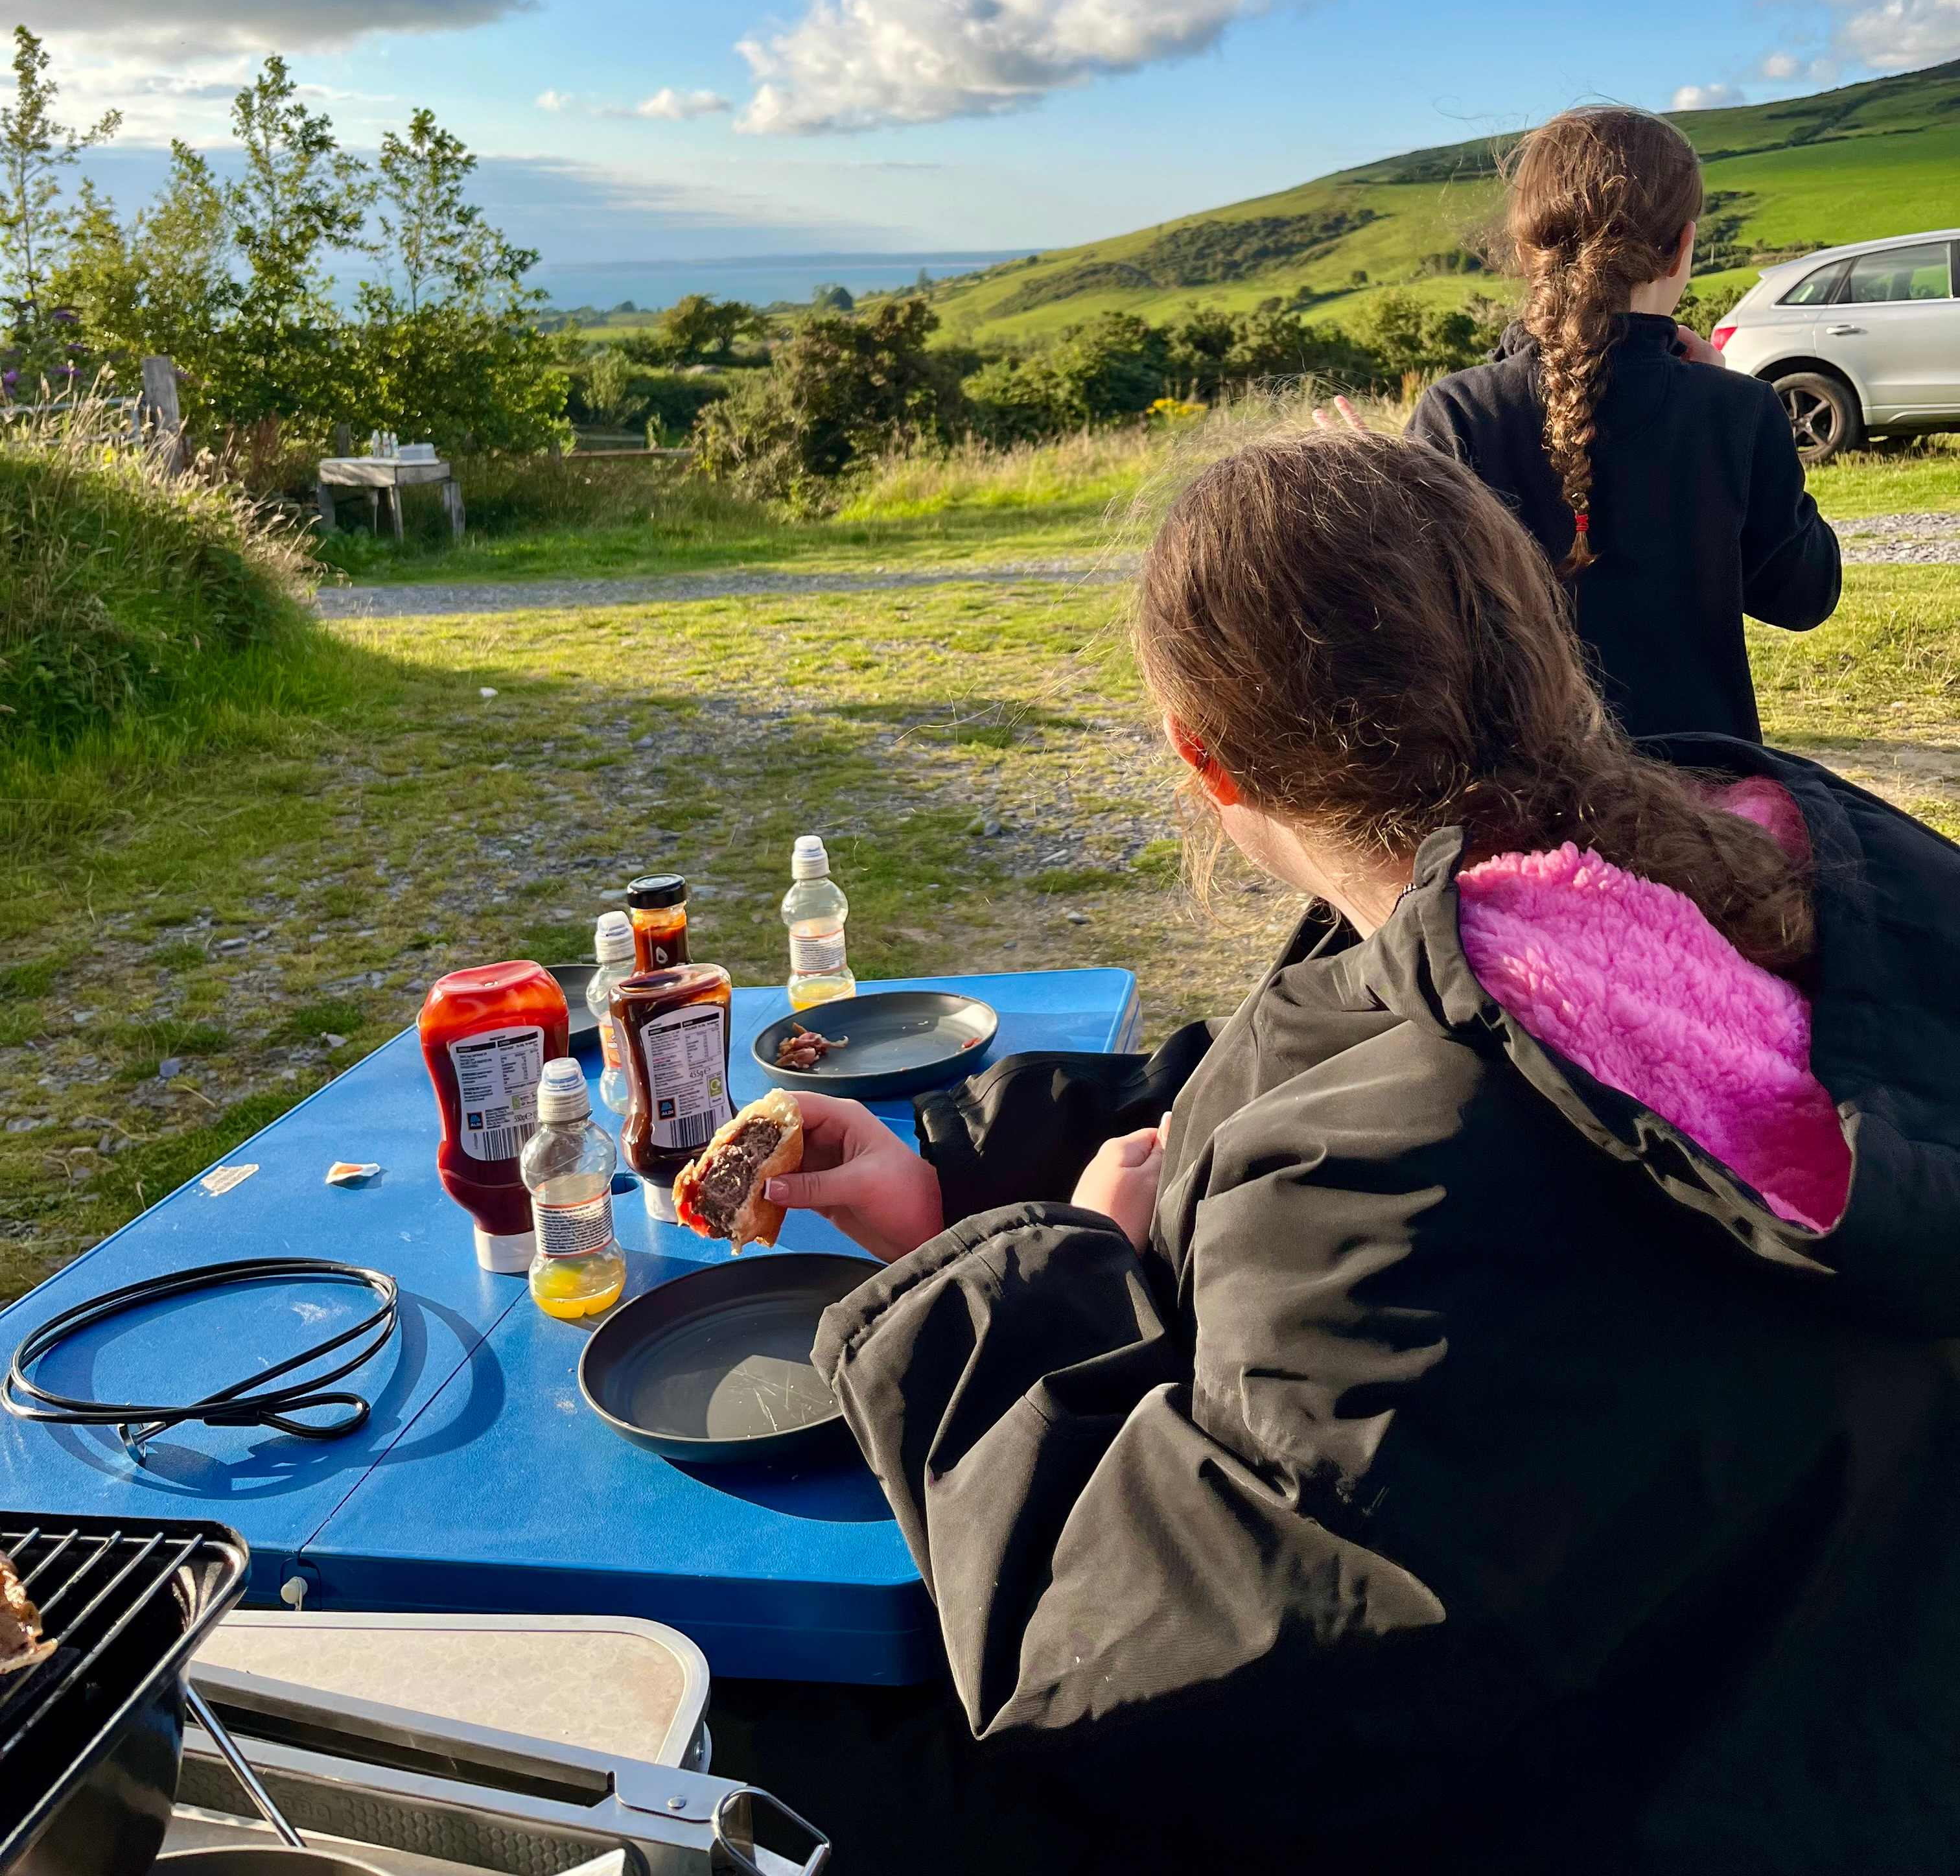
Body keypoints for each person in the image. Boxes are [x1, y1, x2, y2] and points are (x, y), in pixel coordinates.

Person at [754, 432, 1960, 1875]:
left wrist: (1045, 1279)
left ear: (1204, 759)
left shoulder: (1394, 1184)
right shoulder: (1758, 865)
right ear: (1529, 653)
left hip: (1624, 1801)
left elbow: (1153, 1667)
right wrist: (960, 1177)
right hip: (1850, 1723)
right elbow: (1319, 1051)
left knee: (771, 1735)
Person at [1406, 102, 1840, 739]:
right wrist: (1722, 391)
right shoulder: (1738, 411)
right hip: (1703, 808)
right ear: (1682, 248)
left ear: (1527, 252)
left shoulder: (1458, 412)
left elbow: (1415, 627)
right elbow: (1805, 597)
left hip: (1524, 812)